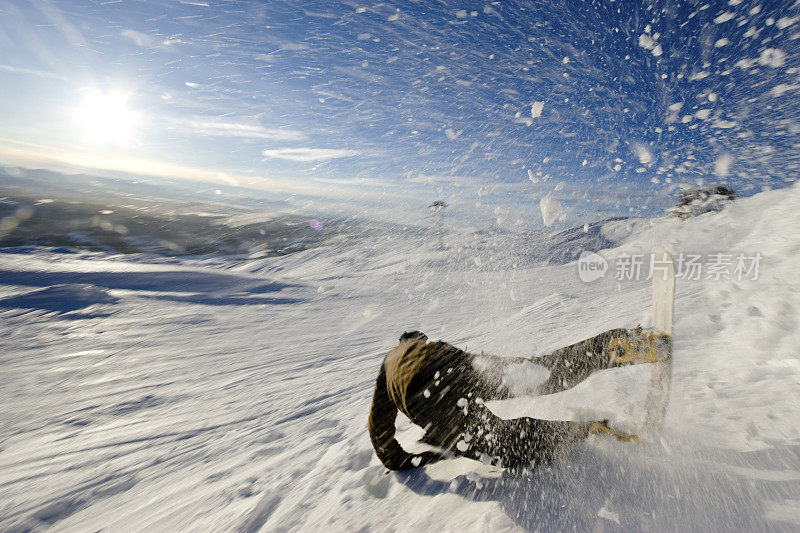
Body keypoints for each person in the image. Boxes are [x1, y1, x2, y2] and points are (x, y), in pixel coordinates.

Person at [368, 329, 647, 471]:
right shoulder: (422, 346)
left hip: (426, 396)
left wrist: (400, 461)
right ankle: (616, 346)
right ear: (417, 338)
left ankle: (582, 430)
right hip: (452, 362)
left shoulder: (388, 365)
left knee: (505, 446)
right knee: (538, 373)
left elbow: (378, 426)